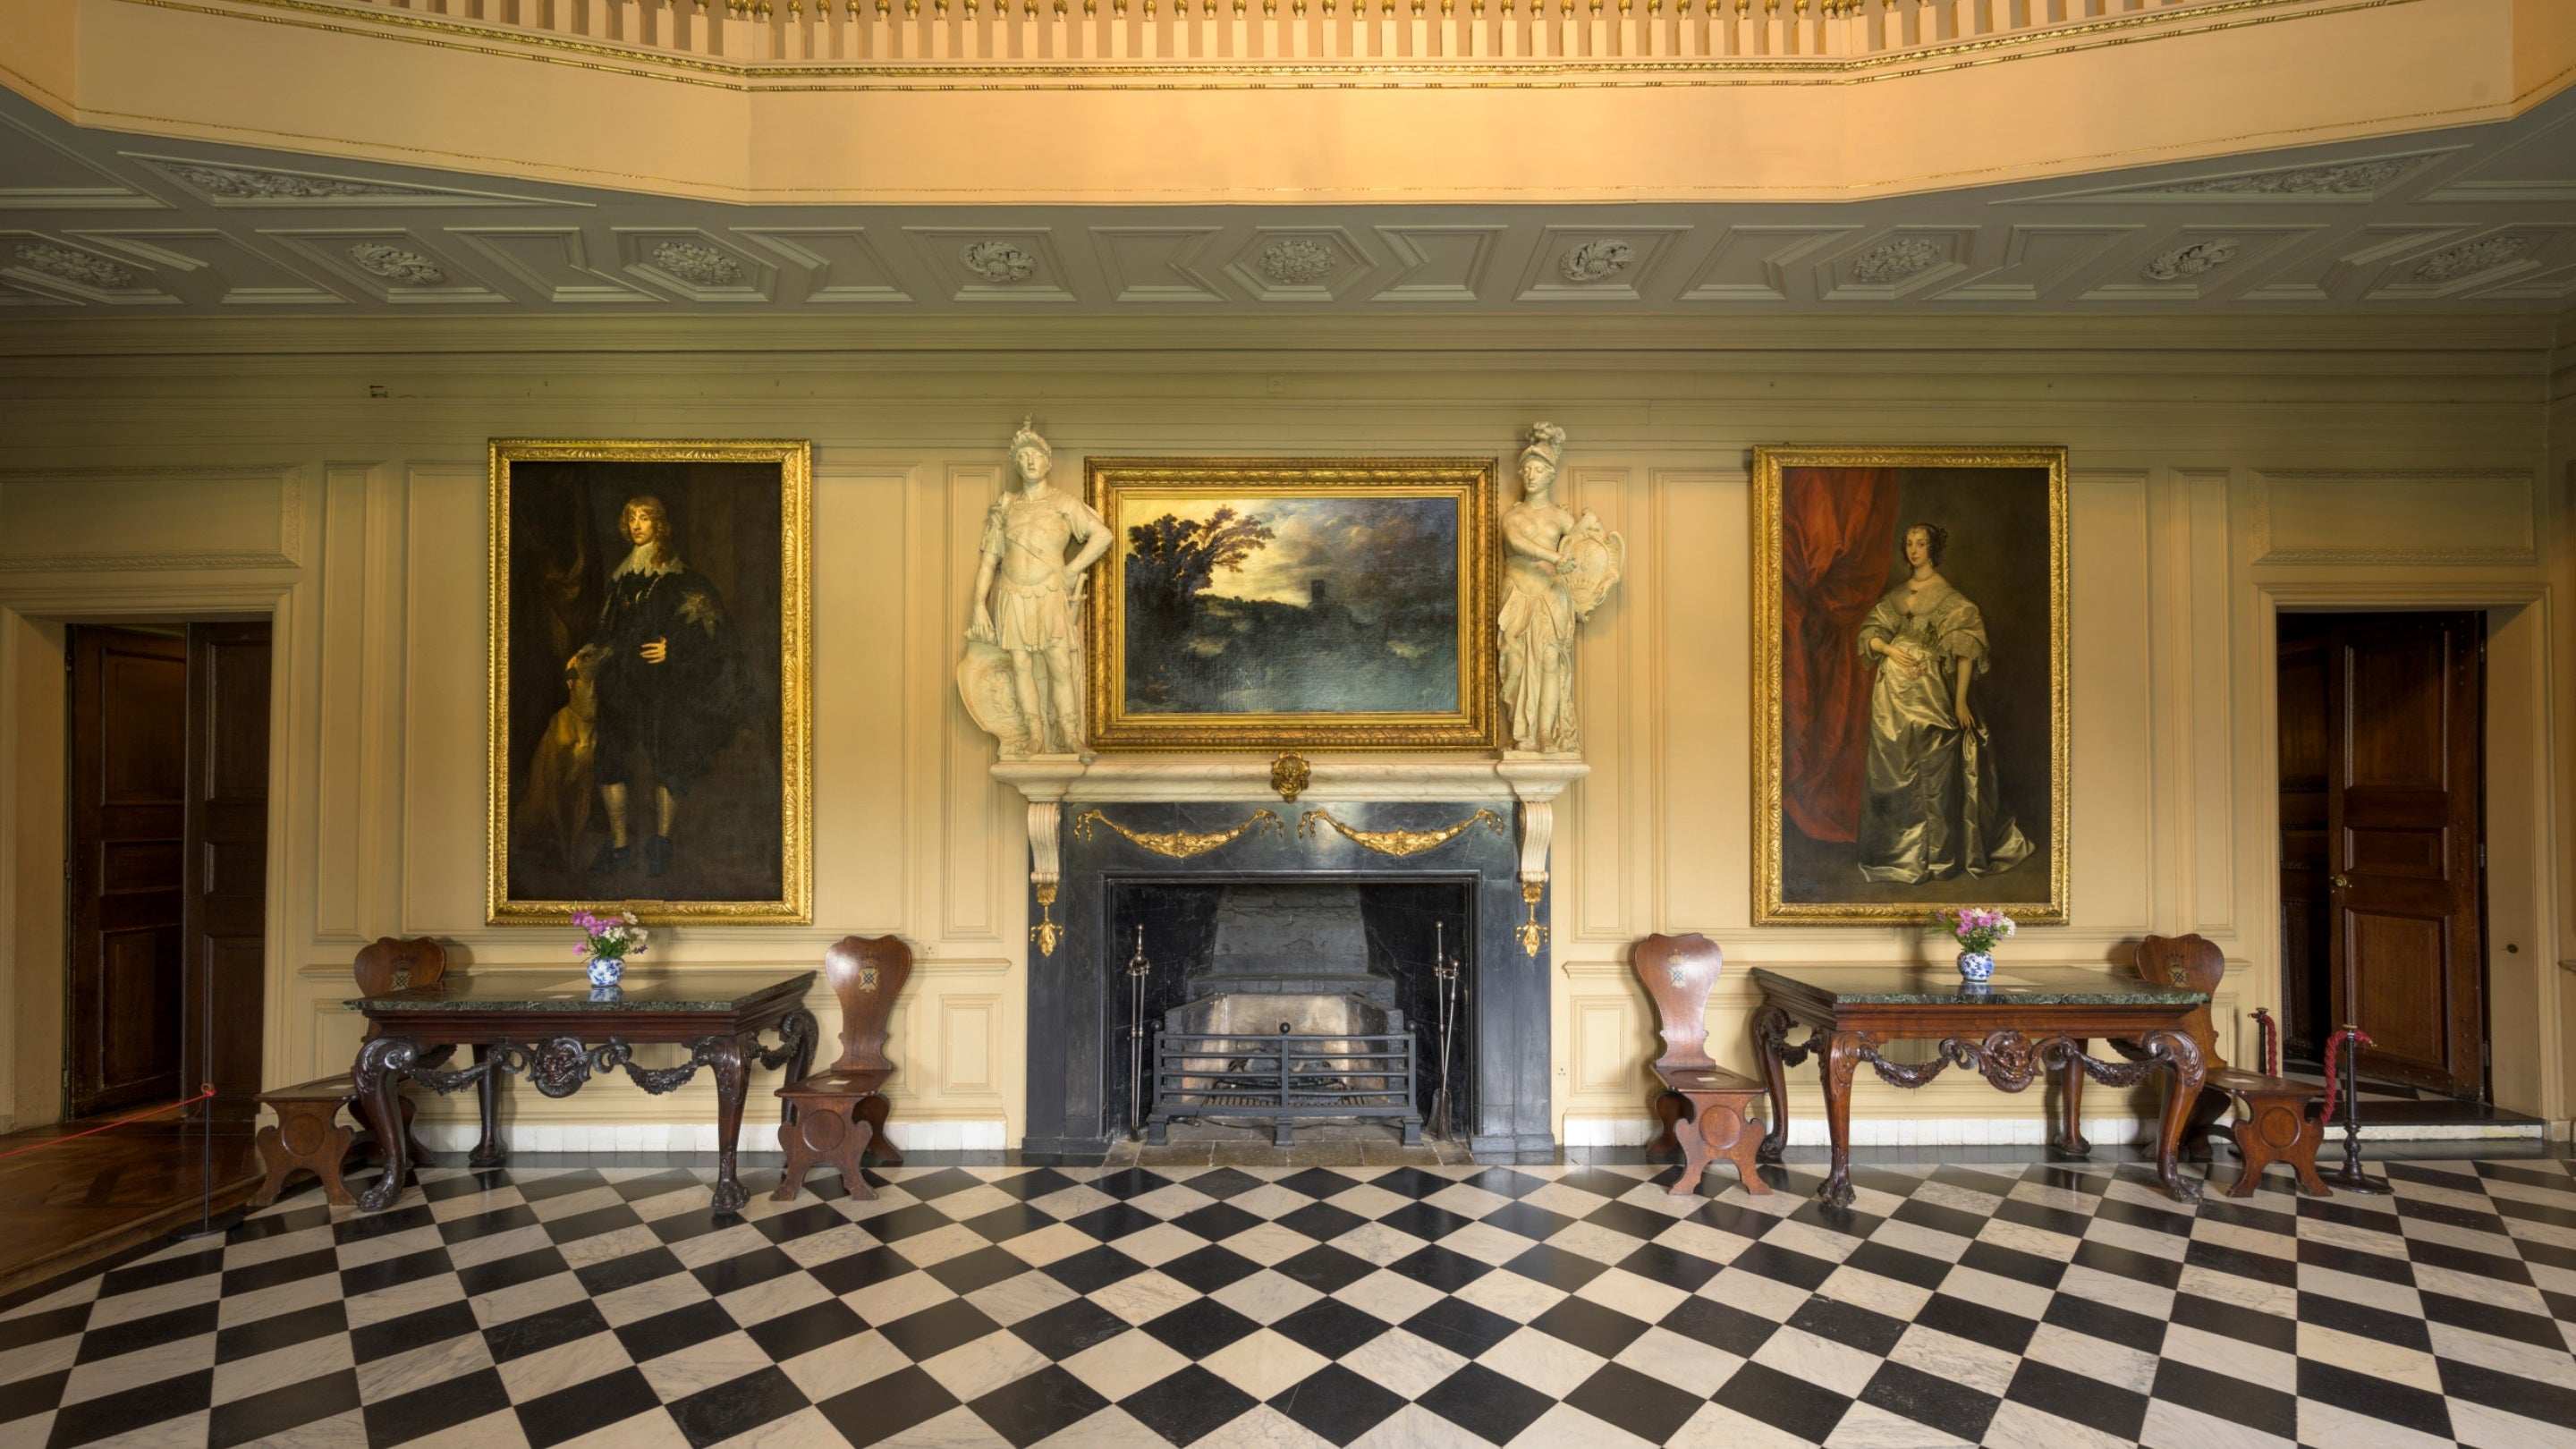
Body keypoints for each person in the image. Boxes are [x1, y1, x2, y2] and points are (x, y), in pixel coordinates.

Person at [1854, 522, 2035, 883]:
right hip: (1891, 699)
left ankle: (1939, 857)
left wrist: (1961, 701)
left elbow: (1965, 649)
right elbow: (1869, 633)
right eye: (1909, 544)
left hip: (1932, 695)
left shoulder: (1951, 598)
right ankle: (1902, 855)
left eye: (1921, 544)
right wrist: (1890, 649)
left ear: (1933, 549)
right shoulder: (1897, 596)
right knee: (1896, 772)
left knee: (1936, 772)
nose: (1914, 550)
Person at [575, 495, 743, 878]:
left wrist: (675, 647)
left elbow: (714, 632)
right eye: (630, 518)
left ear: (659, 525)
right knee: (610, 760)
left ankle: (661, 842)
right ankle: (619, 844)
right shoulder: (621, 580)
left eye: (645, 518)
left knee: (667, 761)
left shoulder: (681, 579)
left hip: (664, 690)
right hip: (620, 687)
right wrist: (585, 653)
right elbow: (607, 631)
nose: (636, 525)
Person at [965, 420, 1110, 756]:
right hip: (1011, 593)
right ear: (1017, 464)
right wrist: (978, 605)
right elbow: (989, 560)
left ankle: (1071, 736)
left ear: (1048, 462)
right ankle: (1035, 736)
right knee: (1020, 665)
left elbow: (1103, 535)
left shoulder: (1064, 503)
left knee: (1059, 664)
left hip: (1049, 591)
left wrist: (1073, 568)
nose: (1030, 461)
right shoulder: (1006, 507)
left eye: (1036, 455)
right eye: (1023, 456)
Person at [1498, 421, 1620, 753]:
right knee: (1518, 665)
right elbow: (1518, 544)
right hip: (1519, 596)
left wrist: (1586, 529)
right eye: (1527, 470)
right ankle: (1522, 733)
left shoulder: (1558, 517)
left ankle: (1545, 734)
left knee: (1551, 662)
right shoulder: (1513, 516)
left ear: (1550, 475)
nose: (1532, 475)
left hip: (1552, 598)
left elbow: (1586, 545)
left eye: (1538, 469)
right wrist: (1554, 555)